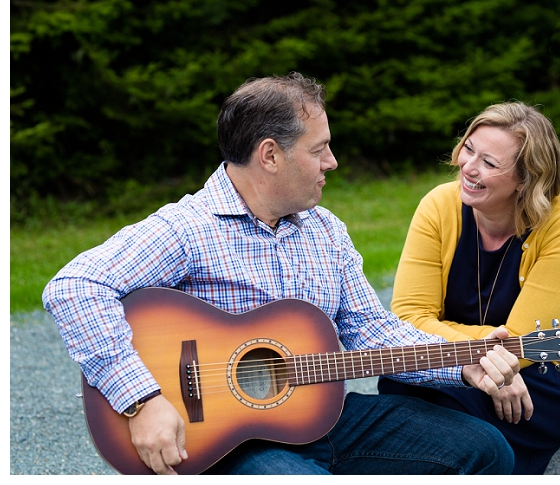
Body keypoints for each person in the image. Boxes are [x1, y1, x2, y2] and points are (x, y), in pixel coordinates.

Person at [42, 72, 520, 475]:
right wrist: (142, 401)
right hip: (231, 442)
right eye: (320, 150)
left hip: (320, 419)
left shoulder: (325, 229)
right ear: (270, 155)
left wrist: (461, 361)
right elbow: (74, 286)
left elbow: (371, 331)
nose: (331, 163)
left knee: (486, 449)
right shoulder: (187, 228)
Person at [377, 101, 560, 474]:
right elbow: (408, 317)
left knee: (426, 408)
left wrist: (468, 348)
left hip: (543, 373)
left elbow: (524, 343)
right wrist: (483, 348)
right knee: (398, 382)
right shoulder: (439, 205)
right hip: (462, 367)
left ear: (526, 179)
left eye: (489, 163)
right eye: (469, 149)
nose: (469, 168)